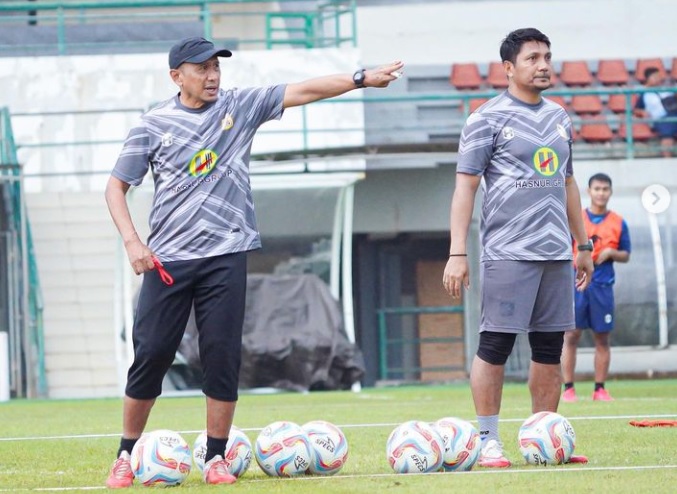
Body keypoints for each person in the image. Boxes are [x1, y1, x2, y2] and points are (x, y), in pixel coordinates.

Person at [104, 36, 404, 488]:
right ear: (176, 76)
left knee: (223, 358)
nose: (212, 75)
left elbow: (302, 90)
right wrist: (133, 242)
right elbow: (115, 187)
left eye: (216, 67)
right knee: (151, 355)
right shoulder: (152, 125)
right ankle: (125, 455)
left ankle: (216, 458)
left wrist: (360, 79)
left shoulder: (239, 107)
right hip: (170, 261)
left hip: (226, 255)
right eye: (201, 68)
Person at [442, 27, 594, 468]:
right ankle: (488, 440)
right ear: (509, 68)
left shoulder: (560, 117)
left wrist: (582, 243)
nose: (544, 64)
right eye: (532, 58)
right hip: (509, 250)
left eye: (547, 56)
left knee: (550, 348)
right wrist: (457, 252)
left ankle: (545, 437)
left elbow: (567, 182)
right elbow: (464, 188)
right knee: (495, 345)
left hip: (555, 254)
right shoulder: (485, 118)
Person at [561, 173, 631, 402]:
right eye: (597, 189)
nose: (601, 193)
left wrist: (612, 253)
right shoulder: (576, 218)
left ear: (610, 192)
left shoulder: (619, 222)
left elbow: (626, 254)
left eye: (605, 189)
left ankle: (599, 389)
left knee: (602, 337)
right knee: (571, 335)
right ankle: (568, 388)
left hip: (602, 286)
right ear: (589, 191)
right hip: (577, 284)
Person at [634, 67, 677, 158]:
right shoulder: (644, 94)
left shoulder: (666, 89)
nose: (658, 78)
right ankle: (667, 160)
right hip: (661, 119)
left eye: (659, 76)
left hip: (674, 114)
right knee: (667, 137)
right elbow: (636, 109)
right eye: (655, 76)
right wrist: (642, 112)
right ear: (648, 79)